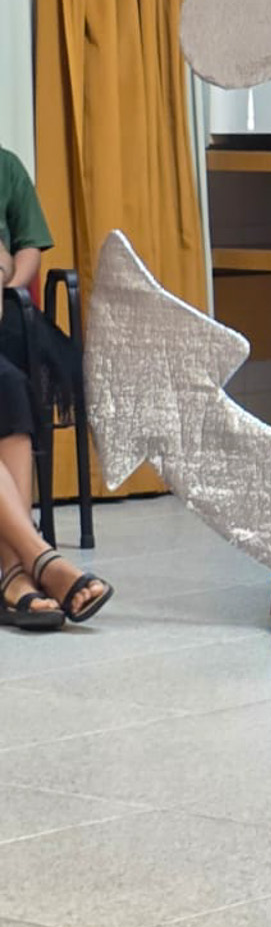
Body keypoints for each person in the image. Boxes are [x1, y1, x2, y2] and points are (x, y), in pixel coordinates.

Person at [0, 144, 108, 630]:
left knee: (9, 384)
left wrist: (6, 284)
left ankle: (17, 573)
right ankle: (33, 562)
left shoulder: (5, 165)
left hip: (7, 314)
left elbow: (16, 253)